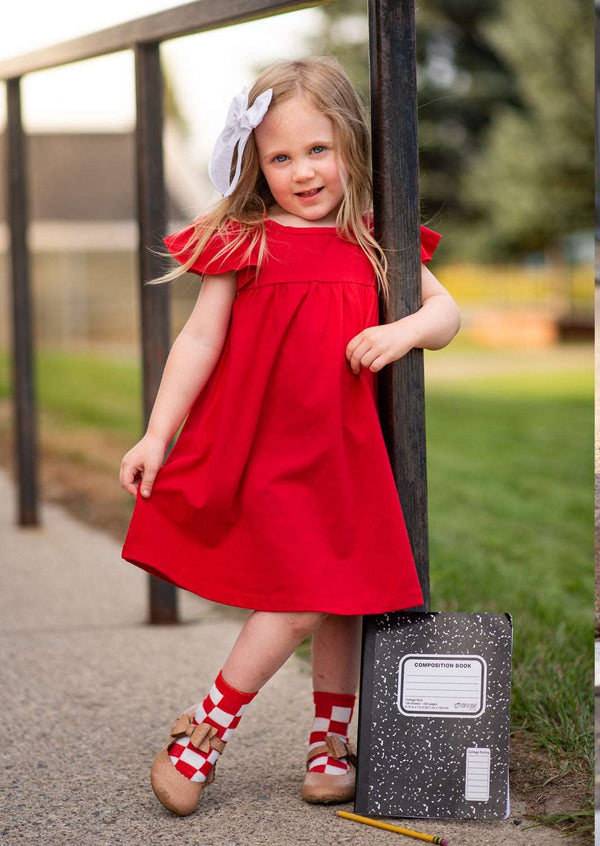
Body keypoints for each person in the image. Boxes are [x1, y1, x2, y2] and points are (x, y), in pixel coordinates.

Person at [120, 56, 460, 817]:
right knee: (302, 599)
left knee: (343, 597)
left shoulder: (375, 240)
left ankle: (329, 744)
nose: (303, 171)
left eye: (319, 149)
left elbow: (446, 315)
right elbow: (198, 342)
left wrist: (402, 330)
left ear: (352, 149)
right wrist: (156, 434)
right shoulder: (243, 240)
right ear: (255, 163)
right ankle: (202, 731)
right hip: (268, 452)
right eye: (280, 156)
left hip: (344, 455)